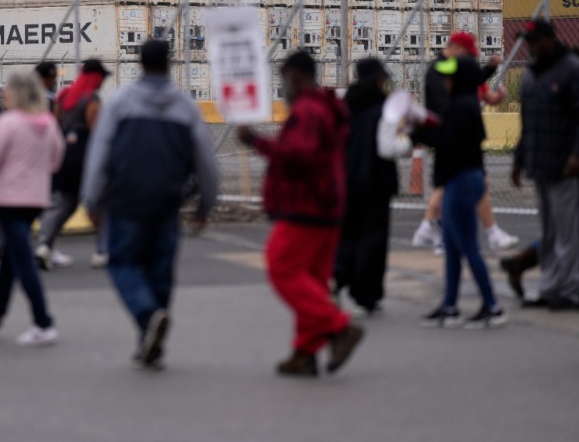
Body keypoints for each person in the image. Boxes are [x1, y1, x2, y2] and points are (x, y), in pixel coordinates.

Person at [83, 40, 217, 370]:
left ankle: (148, 318)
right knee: (160, 270)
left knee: (122, 262)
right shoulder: (186, 106)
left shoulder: (120, 102)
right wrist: (205, 205)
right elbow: (206, 162)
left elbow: (99, 156)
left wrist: (92, 201)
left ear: (139, 64)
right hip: (169, 201)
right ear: (169, 64)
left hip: (127, 199)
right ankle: (151, 337)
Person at [238, 50, 363, 377]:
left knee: (282, 268)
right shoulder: (323, 107)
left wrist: (255, 141)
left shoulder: (307, 111)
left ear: (295, 76)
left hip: (305, 205)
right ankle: (305, 353)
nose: (284, 86)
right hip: (328, 205)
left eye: (284, 78)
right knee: (313, 280)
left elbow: (298, 154)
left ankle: (339, 327)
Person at [499, 46, 579, 300]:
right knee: (566, 231)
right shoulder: (569, 81)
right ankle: (563, 287)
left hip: (552, 166)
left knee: (559, 229)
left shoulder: (543, 82)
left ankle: (539, 275)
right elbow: (574, 121)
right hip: (568, 170)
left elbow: (563, 122)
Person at [413, 57, 506, 328]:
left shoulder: (463, 107)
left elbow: (448, 141)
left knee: (468, 247)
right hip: (459, 180)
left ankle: (493, 306)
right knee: (453, 249)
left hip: (463, 180)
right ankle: (450, 306)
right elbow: (446, 138)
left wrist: (419, 133)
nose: (445, 81)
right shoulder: (460, 105)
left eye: (450, 76)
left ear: (462, 79)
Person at [0, 72, 64, 346]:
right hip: (35, 199)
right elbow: (56, 158)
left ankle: (43, 322)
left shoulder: (8, 122)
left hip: (7, 198)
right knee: (11, 257)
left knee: (21, 257)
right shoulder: (48, 122)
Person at [411, 32, 518, 253]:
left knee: (460, 185)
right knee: (469, 183)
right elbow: (444, 103)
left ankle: (437, 231)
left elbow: (471, 79)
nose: (469, 59)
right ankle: (486, 232)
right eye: (468, 54)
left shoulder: (448, 68)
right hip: (453, 137)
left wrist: (489, 70)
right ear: (458, 48)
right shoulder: (440, 70)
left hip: (454, 135)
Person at [333, 58, 398, 317]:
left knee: (348, 233)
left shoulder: (345, 105)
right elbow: (387, 146)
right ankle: (366, 295)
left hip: (349, 177)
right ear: (375, 79)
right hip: (376, 179)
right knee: (374, 237)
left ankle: (337, 278)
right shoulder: (385, 107)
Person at [35, 59, 110, 271]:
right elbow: (96, 132)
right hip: (85, 157)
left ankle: (44, 246)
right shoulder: (91, 98)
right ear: (96, 78)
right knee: (100, 204)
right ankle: (102, 251)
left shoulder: (64, 96)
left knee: (63, 204)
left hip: (64, 156)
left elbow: (56, 127)